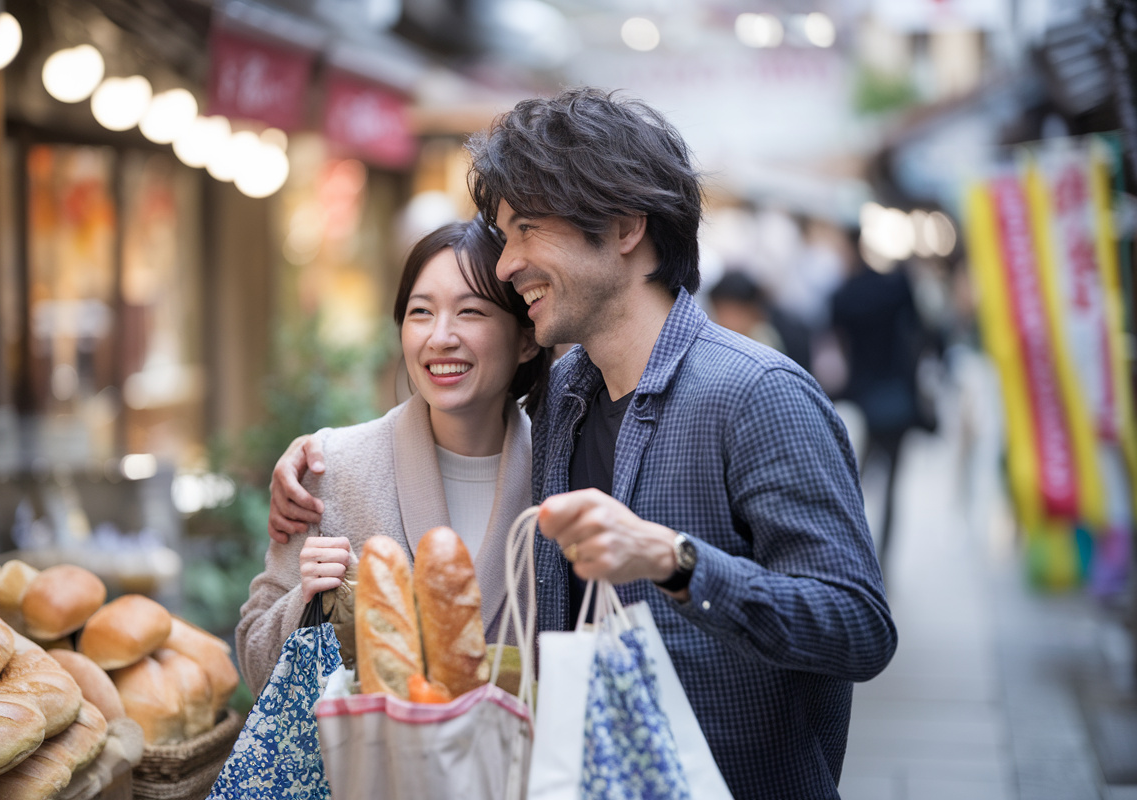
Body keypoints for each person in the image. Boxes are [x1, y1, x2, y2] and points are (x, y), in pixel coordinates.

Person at [272, 88, 896, 800]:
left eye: (527, 229)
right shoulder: (566, 390)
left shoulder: (756, 393)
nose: (506, 265)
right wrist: (312, 460)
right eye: (505, 236)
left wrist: (676, 561)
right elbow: (457, 404)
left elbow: (858, 627)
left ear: (627, 225)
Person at [237, 218, 546, 696]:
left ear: (526, 338)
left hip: (521, 768)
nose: (440, 337)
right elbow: (256, 667)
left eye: (471, 312)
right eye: (421, 312)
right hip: (375, 769)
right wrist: (310, 603)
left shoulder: (564, 470)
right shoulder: (330, 467)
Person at [828, 230, 934, 574]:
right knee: (890, 486)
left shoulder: (844, 295)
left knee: (852, 481)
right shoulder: (895, 287)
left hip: (861, 400)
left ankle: (847, 553)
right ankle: (882, 561)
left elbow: (835, 349)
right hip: (899, 397)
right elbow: (920, 332)